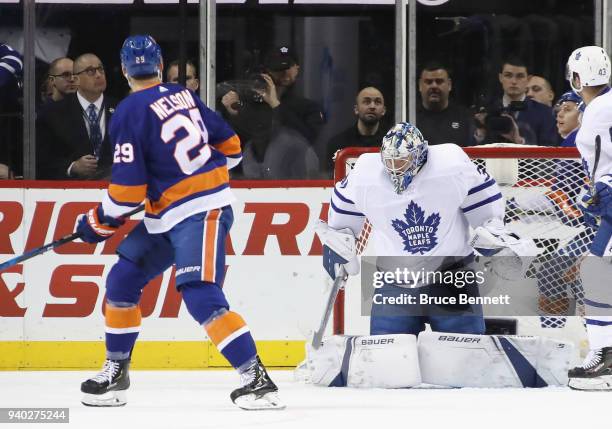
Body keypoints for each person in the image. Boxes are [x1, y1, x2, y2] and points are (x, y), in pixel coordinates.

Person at [76, 35, 283, 410]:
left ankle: (257, 379)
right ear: (158, 66)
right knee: (123, 278)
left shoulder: (126, 111)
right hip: (169, 214)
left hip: (200, 211)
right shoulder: (182, 94)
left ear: (123, 70)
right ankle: (117, 370)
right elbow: (232, 147)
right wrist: (201, 173)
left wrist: (97, 222)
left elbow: (126, 193)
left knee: (198, 290)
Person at [319, 122, 532, 337]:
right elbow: (342, 217)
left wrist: (495, 235)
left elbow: (486, 212)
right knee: (388, 360)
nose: (396, 168)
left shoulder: (452, 167)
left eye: (402, 161)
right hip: (394, 279)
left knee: (466, 356)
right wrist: (338, 244)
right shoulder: (364, 175)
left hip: (452, 277)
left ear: (420, 155)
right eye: (390, 162)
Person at [564, 45, 612, 391]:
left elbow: (599, 167)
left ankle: (605, 355)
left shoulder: (597, 109)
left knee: (596, 270)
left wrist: (598, 191)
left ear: (578, 77)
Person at [36, 53, 116, 180]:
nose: (99, 75)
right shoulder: (53, 113)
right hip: (72, 190)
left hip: (116, 186)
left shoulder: (121, 108)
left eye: (101, 69)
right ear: (76, 79)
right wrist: (72, 167)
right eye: (90, 71)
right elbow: (43, 161)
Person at [324, 86, 387, 173]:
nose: (372, 106)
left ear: (383, 110)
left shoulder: (390, 145)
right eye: (367, 102)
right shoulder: (337, 144)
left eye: (377, 102)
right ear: (356, 109)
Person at [415, 63, 474, 146]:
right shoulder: (409, 118)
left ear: (449, 85)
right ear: (420, 85)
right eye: (428, 82)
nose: (434, 86)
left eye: (439, 81)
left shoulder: (465, 118)